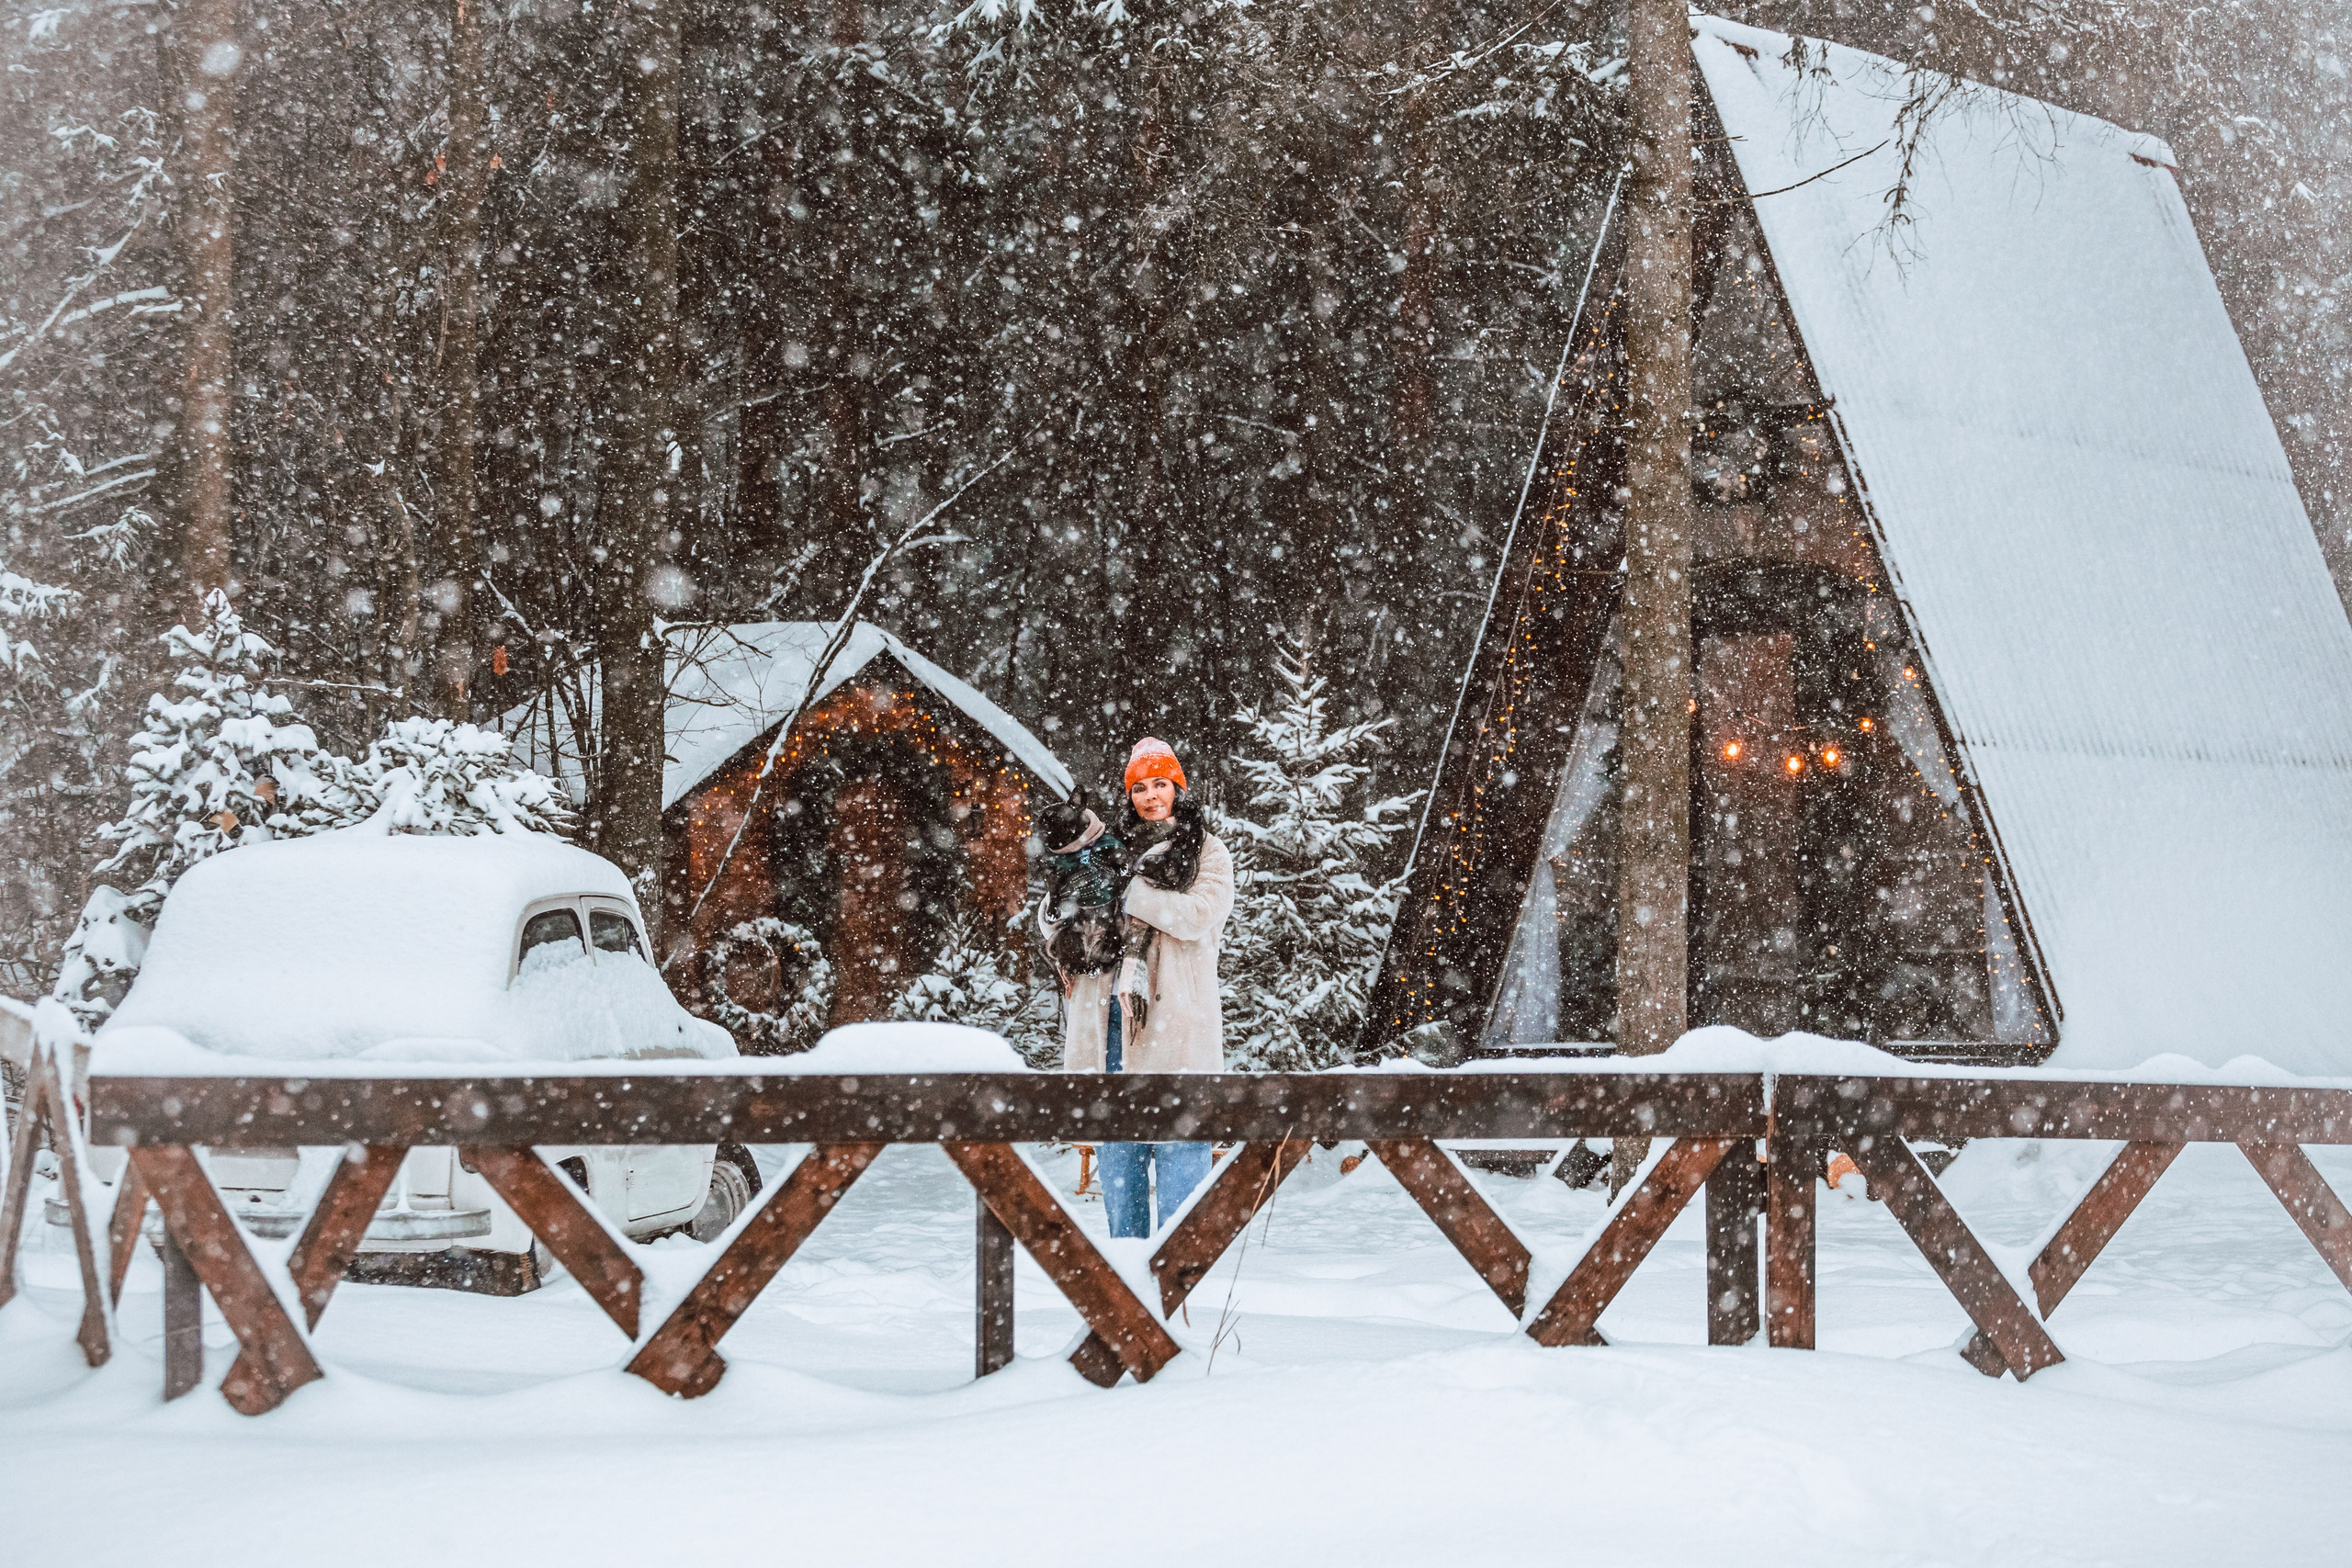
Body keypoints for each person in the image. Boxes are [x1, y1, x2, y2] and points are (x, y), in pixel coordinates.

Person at [1038, 737, 1234, 1238]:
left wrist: (1128, 890)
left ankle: (1177, 1284)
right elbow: (1053, 915)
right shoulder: (1107, 848)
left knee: (1180, 1158)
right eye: (1140, 788)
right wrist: (1071, 905)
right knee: (1120, 1164)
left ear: (1178, 787)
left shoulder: (1207, 851)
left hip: (1173, 1019)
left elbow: (1195, 916)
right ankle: (1126, 1288)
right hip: (1109, 1017)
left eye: (1161, 784)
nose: (1150, 796)